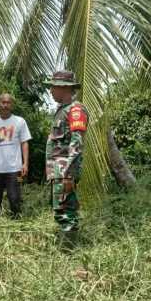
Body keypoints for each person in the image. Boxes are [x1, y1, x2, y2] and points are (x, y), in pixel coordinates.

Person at [45, 71, 89, 248]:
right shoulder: (61, 111)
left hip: (64, 170)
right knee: (61, 210)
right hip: (58, 170)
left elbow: (77, 143)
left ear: (63, 88)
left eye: (53, 86)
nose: (50, 91)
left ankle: (68, 252)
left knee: (66, 212)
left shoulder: (75, 110)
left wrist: (68, 173)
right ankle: (66, 247)